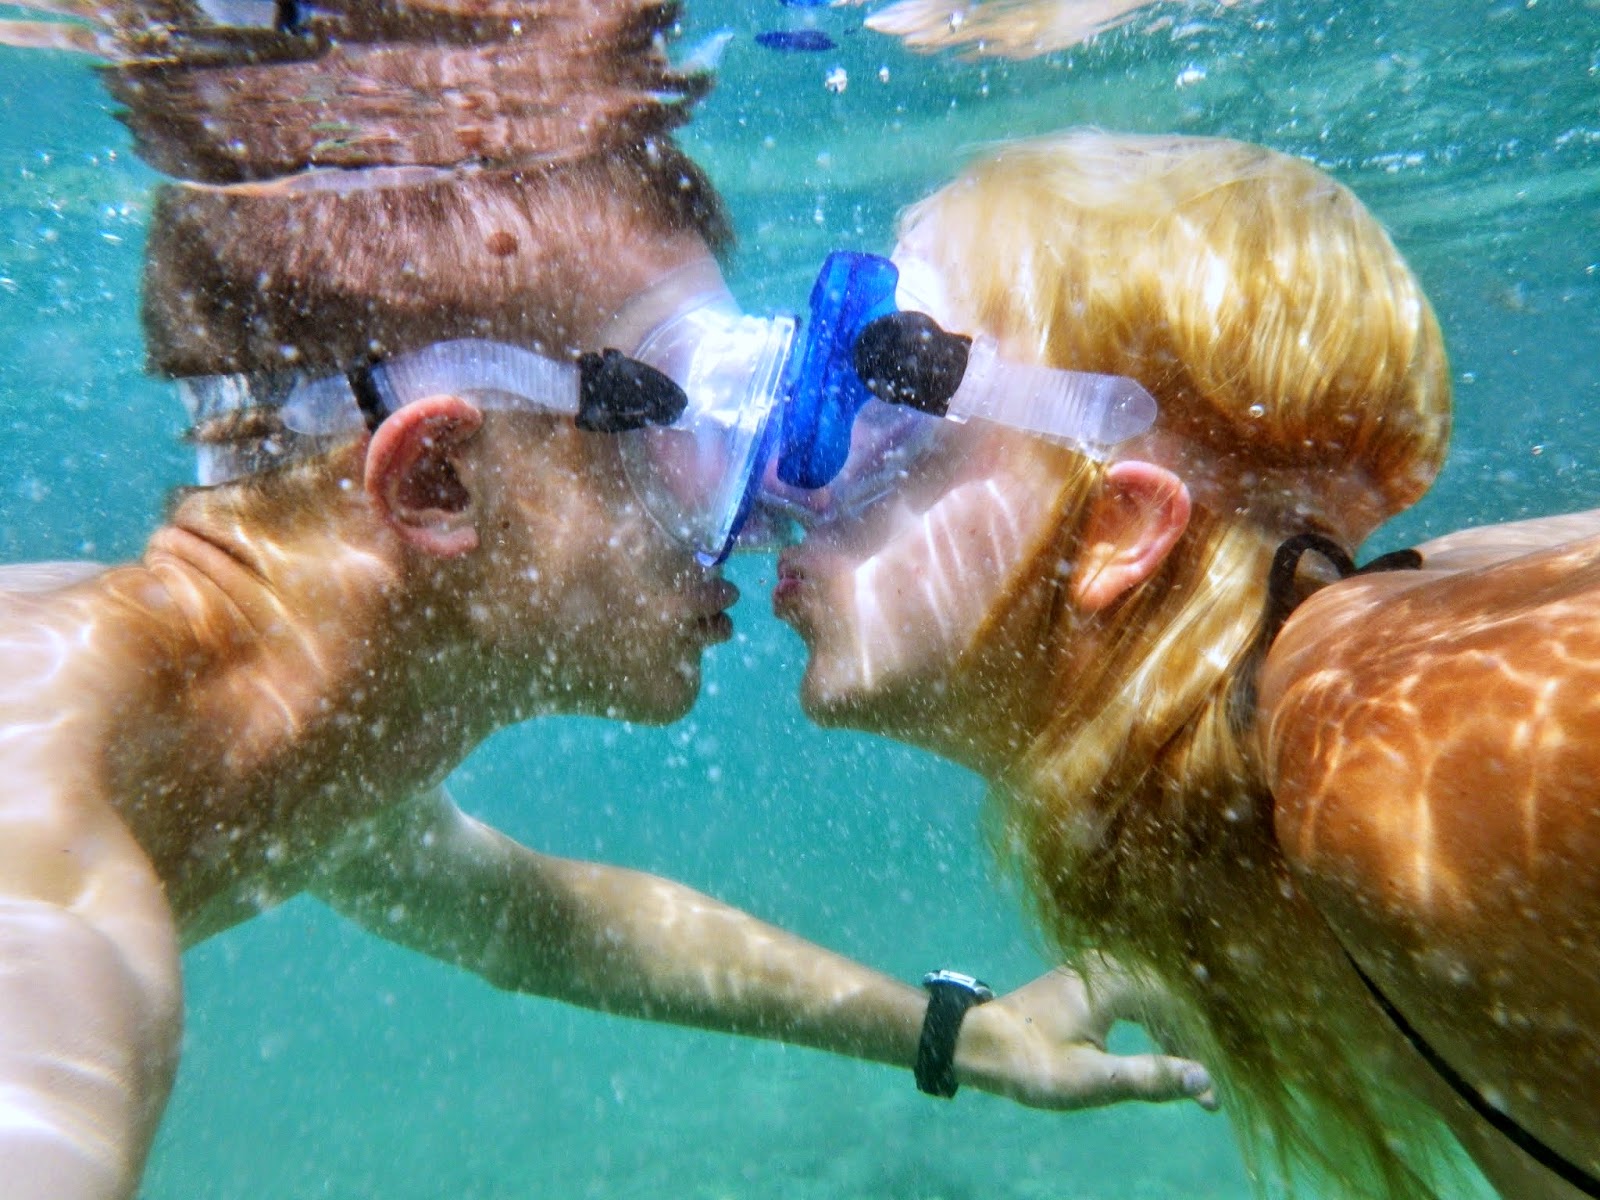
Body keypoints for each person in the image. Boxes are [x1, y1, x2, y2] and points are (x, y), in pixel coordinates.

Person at [0, 10, 1216, 1200]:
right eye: (684, 426)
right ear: (437, 478)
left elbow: (535, 922)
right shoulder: (41, 821)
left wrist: (953, 1032)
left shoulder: (294, 737)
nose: (763, 517)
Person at [693, 130, 1598, 1198]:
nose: (792, 480)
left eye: (888, 397)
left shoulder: (1393, 756)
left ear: (1121, 526)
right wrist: (1169, 946)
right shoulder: (1315, 770)